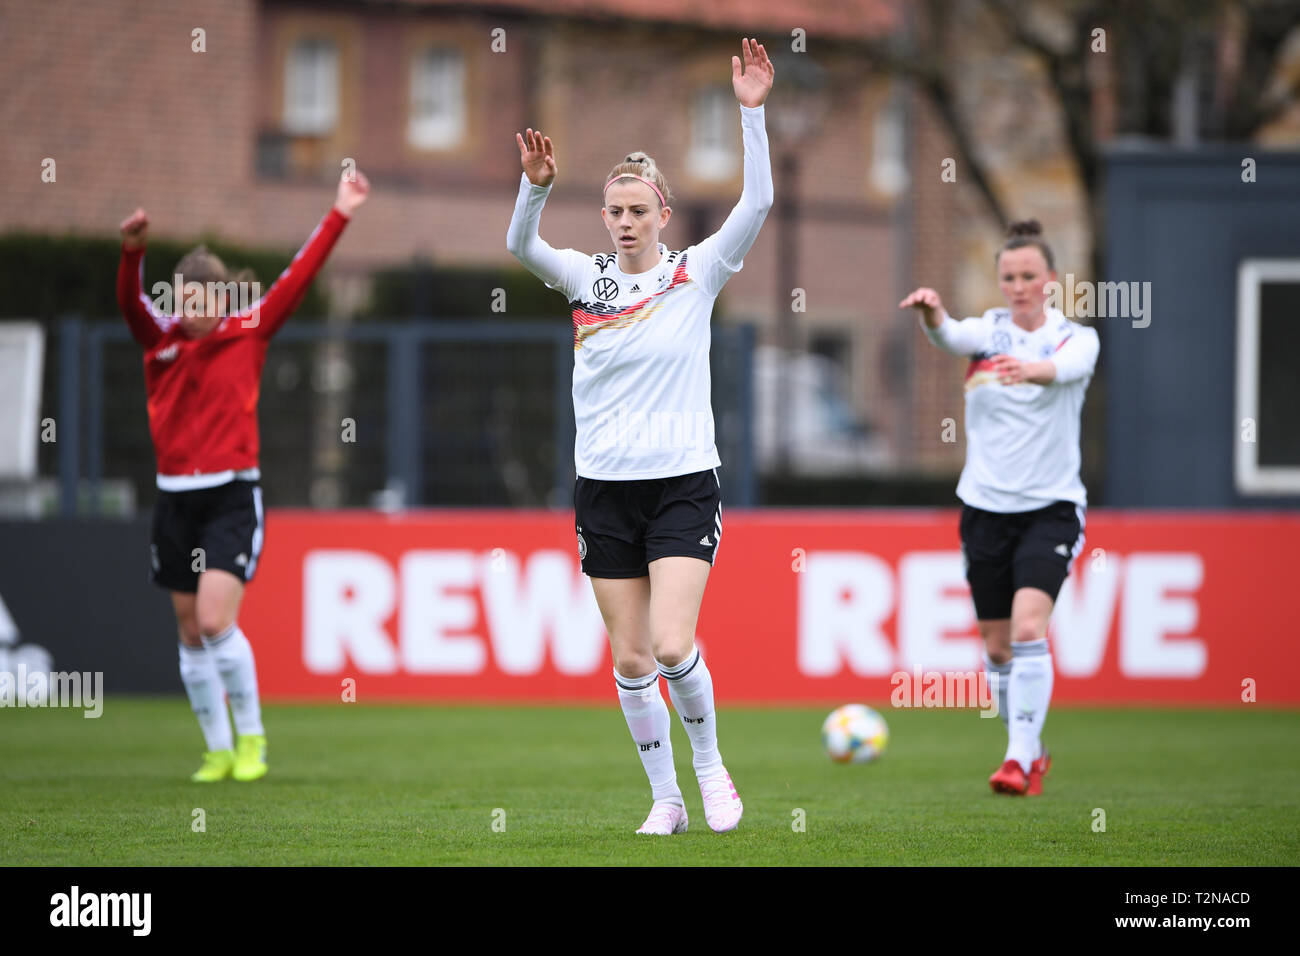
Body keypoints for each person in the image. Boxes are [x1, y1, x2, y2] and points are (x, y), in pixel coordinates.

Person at [506, 38, 774, 833]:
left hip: (683, 482)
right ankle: (664, 801)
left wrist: (750, 114)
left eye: (639, 211)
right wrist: (533, 191)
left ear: (663, 212)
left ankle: (710, 768)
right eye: (615, 211)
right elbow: (522, 246)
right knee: (627, 661)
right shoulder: (584, 280)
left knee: (668, 644)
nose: (626, 223)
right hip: (603, 489)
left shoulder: (696, 272)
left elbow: (756, 206)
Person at [116, 169, 370, 782]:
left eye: (204, 302)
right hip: (175, 499)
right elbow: (131, 302)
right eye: (184, 301)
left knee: (212, 620)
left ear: (223, 300)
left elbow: (298, 276)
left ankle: (251, 737)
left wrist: (339, 212)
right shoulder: (160, 340)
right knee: (187, 631)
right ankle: (217, 748)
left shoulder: (249, 330)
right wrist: (133, 255)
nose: (193, 312)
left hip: (231, 495)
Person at [900, 220, 1098, 796]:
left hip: (1050, 509)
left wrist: (1031, 370)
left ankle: (1017, 758)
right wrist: (932, 314)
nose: (1018, 286)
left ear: (1050, 280)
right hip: (984, 509)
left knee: (1030, 625)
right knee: (996, 644)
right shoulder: (986, 333)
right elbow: (949, 337)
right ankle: (1030, 753)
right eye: (1008, 276)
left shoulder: (1074, 338)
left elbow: (1067, 370)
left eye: (1029, 276)